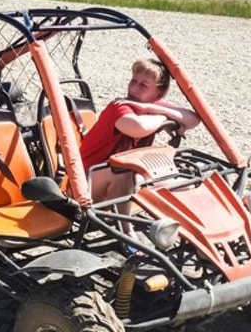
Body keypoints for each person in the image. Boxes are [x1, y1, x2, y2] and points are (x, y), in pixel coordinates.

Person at [81, 58, 200, 219]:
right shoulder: (119, 106)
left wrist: (151, 108)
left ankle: (188, 236)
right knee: (123, 171)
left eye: (143, 85)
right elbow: (138, 128)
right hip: (85, 183)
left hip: (128, 180)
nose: (134, 88)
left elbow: (193, 119)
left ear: (158, 93)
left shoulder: (152, 107)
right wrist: (164, 119)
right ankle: (126, 233)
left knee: (185, 186)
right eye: (133, 81)